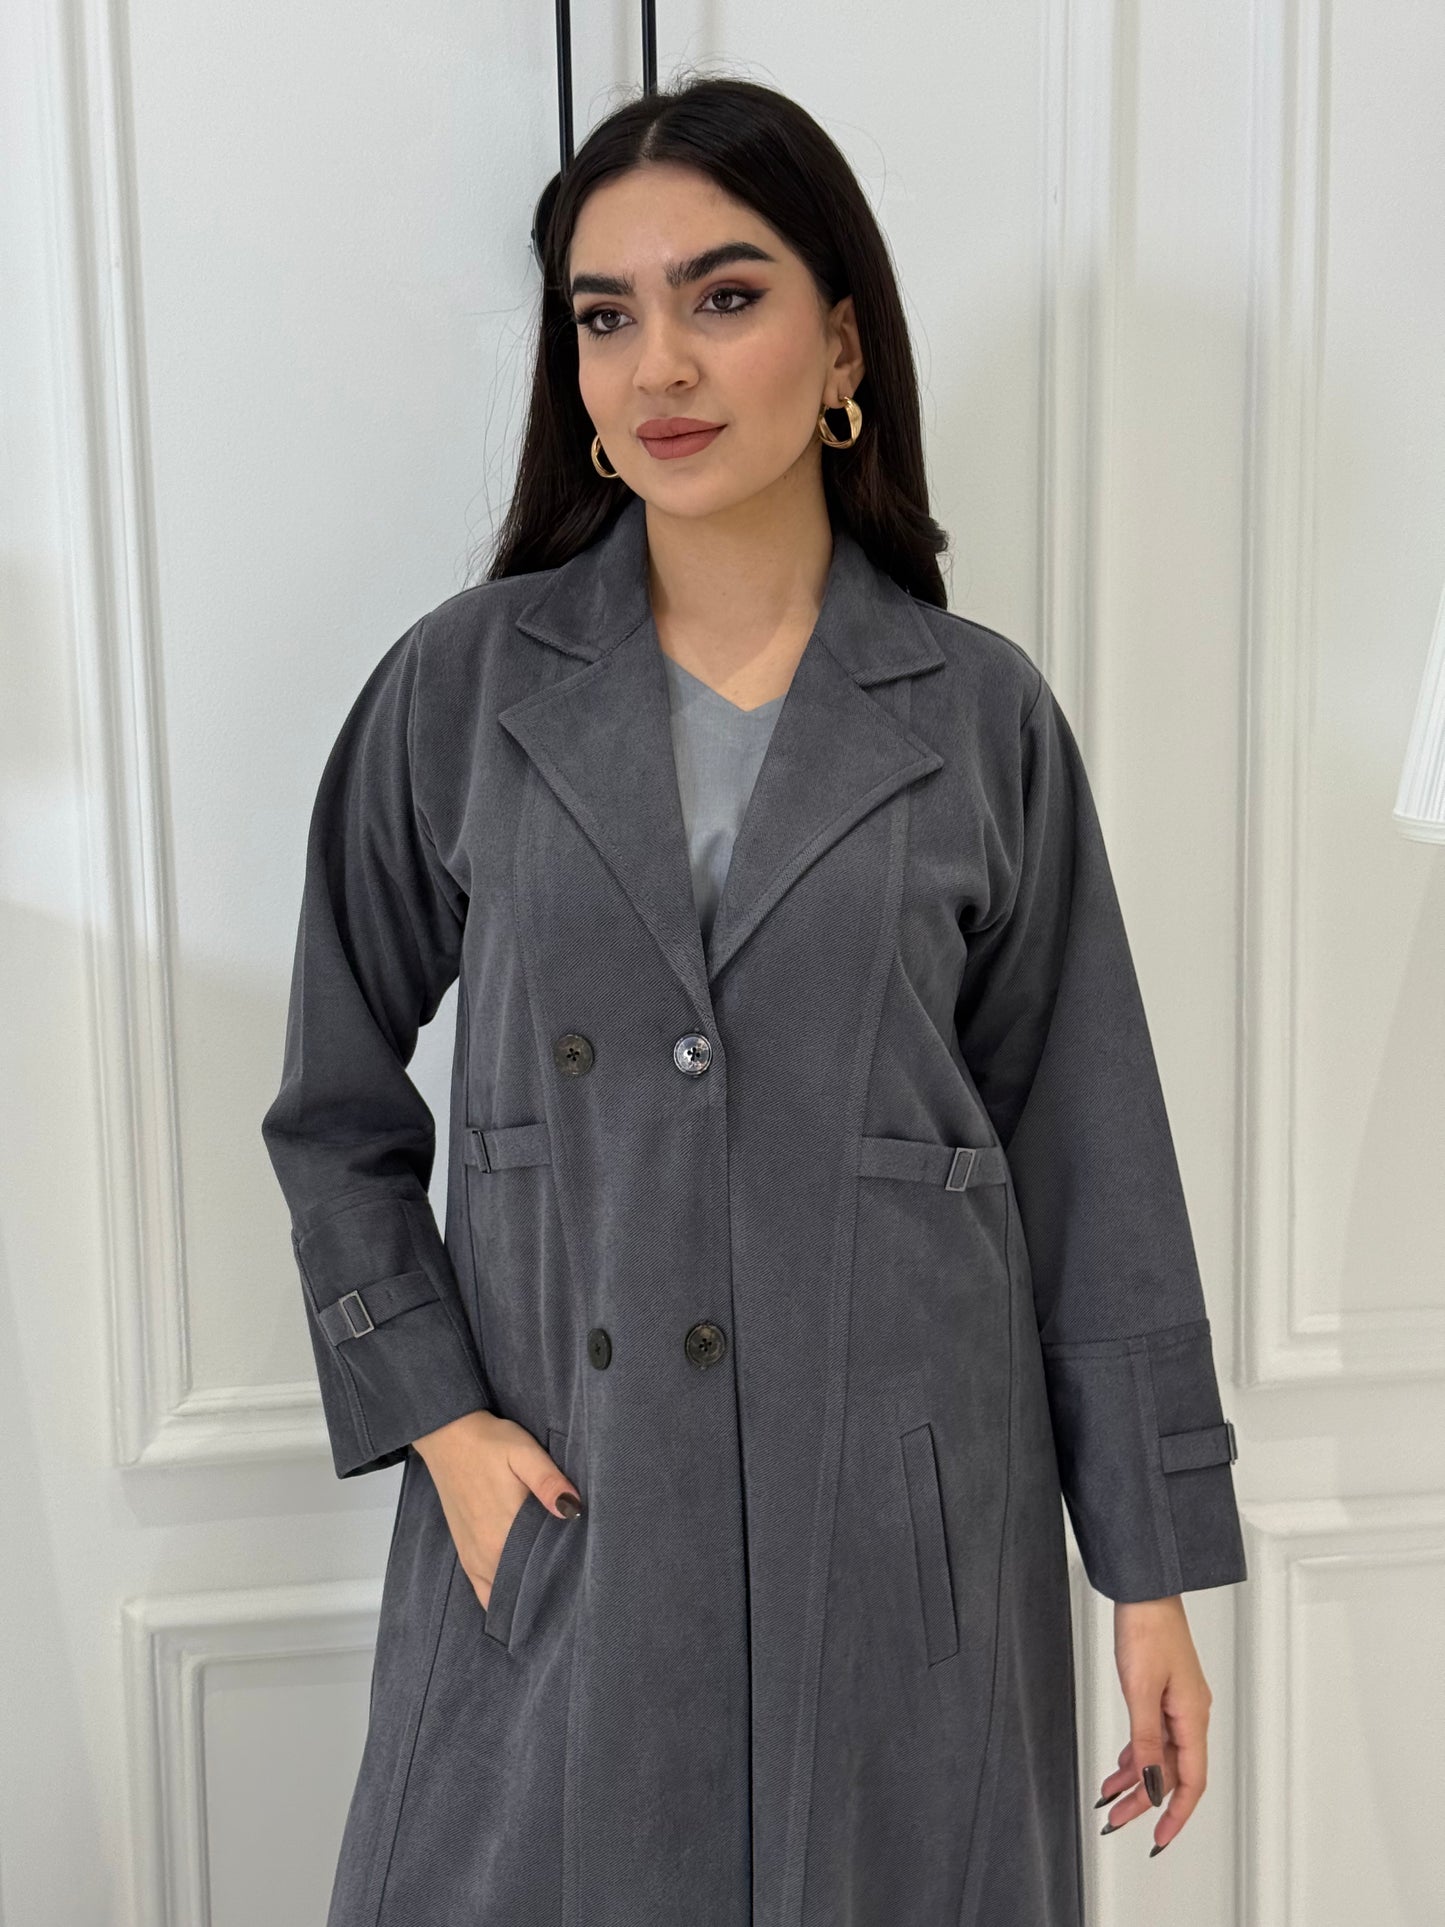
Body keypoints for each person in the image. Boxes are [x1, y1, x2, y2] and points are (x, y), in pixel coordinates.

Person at [261, 71, 1247, 1927]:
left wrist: (1148, 1572)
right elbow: (330, 1104)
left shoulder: (974, 717)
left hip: (896, 1547)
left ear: (841, 333)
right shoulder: (462, 692)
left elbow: (1087, 1151)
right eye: (604, 317)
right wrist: (444, 1426)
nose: (662, 368)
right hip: (570, 1515)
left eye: (724, 296)